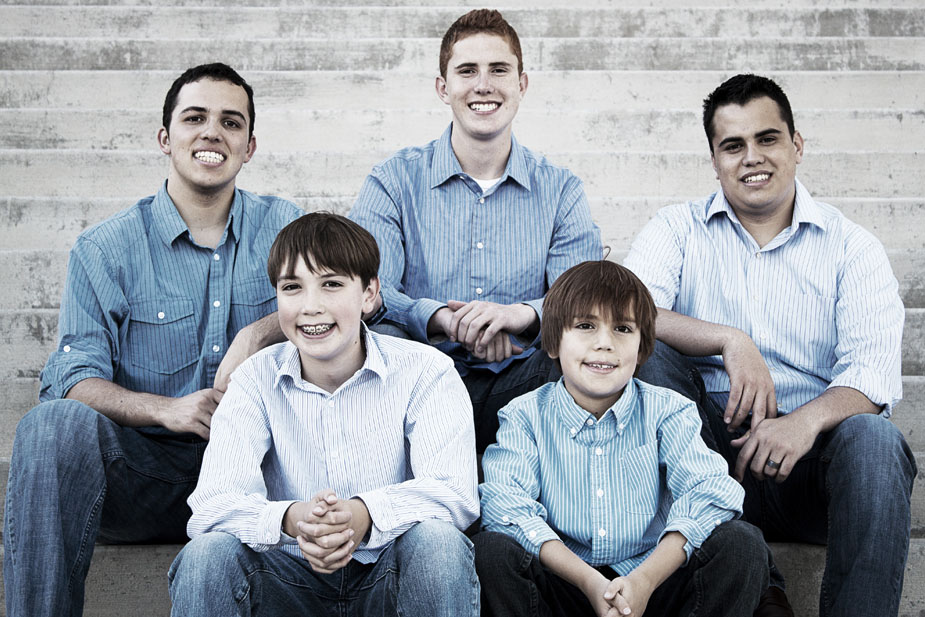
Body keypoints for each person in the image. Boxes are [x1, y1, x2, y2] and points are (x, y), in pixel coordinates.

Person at [3, 63, 302, 617]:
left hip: (260, 477)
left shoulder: (288, 229)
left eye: (230, 122)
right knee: (49, 425)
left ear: (250, 145)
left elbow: (360, 306)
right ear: (166, 138)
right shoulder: (105, 249)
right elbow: (70, 381)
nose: (212, 132)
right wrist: (167, 410)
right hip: (148, 475)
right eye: (195, 118)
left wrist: (259, 332)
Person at [624, 73, 917, 616]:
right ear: (714, 159)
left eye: (767, 138)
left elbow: (873, 377)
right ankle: (758, 577)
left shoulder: (851, 247)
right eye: (732, 145)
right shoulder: (677, 229)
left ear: (797, 145)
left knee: (875, 440)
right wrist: (728, 340)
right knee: (647, 354)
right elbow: (625, 314)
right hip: (704, 454)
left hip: (810, 465)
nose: (751, 157)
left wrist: (801, 423)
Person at [349, 8, 703, 454]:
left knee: (603, 354)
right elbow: (368, 290)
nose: (483, 85)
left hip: (525, 381)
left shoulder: (560, 190)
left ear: (522, 83)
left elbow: (586, 300)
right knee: (375, 342)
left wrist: (522, 316)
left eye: (499, 69)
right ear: (444, 88)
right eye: (467, 71)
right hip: (421, 376)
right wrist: (443, 320)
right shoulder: (393, 181)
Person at [167, 213, 480, 616]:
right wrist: (293, 519)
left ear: (369, 294)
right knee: (207, 554)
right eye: (292, 287)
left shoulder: (426, 370)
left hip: (386, 575)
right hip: (287, 581)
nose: (311, 307)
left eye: (331, 284)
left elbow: (454, 493)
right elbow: (212, 507)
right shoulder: (254, 379)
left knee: (439, 544)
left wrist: (362, 515)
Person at [474, 260, 770, 617]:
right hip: (568, 584)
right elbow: (505, 506)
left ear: (644, 347)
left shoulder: (668, 410)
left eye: (623, 329)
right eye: (585, 326)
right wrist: (590, 582)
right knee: (492, 551)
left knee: (741, 543)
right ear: (553, 342)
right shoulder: (524, 415)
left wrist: (643, 581)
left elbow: (711, 494)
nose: (604, 343)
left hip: (652, 581)